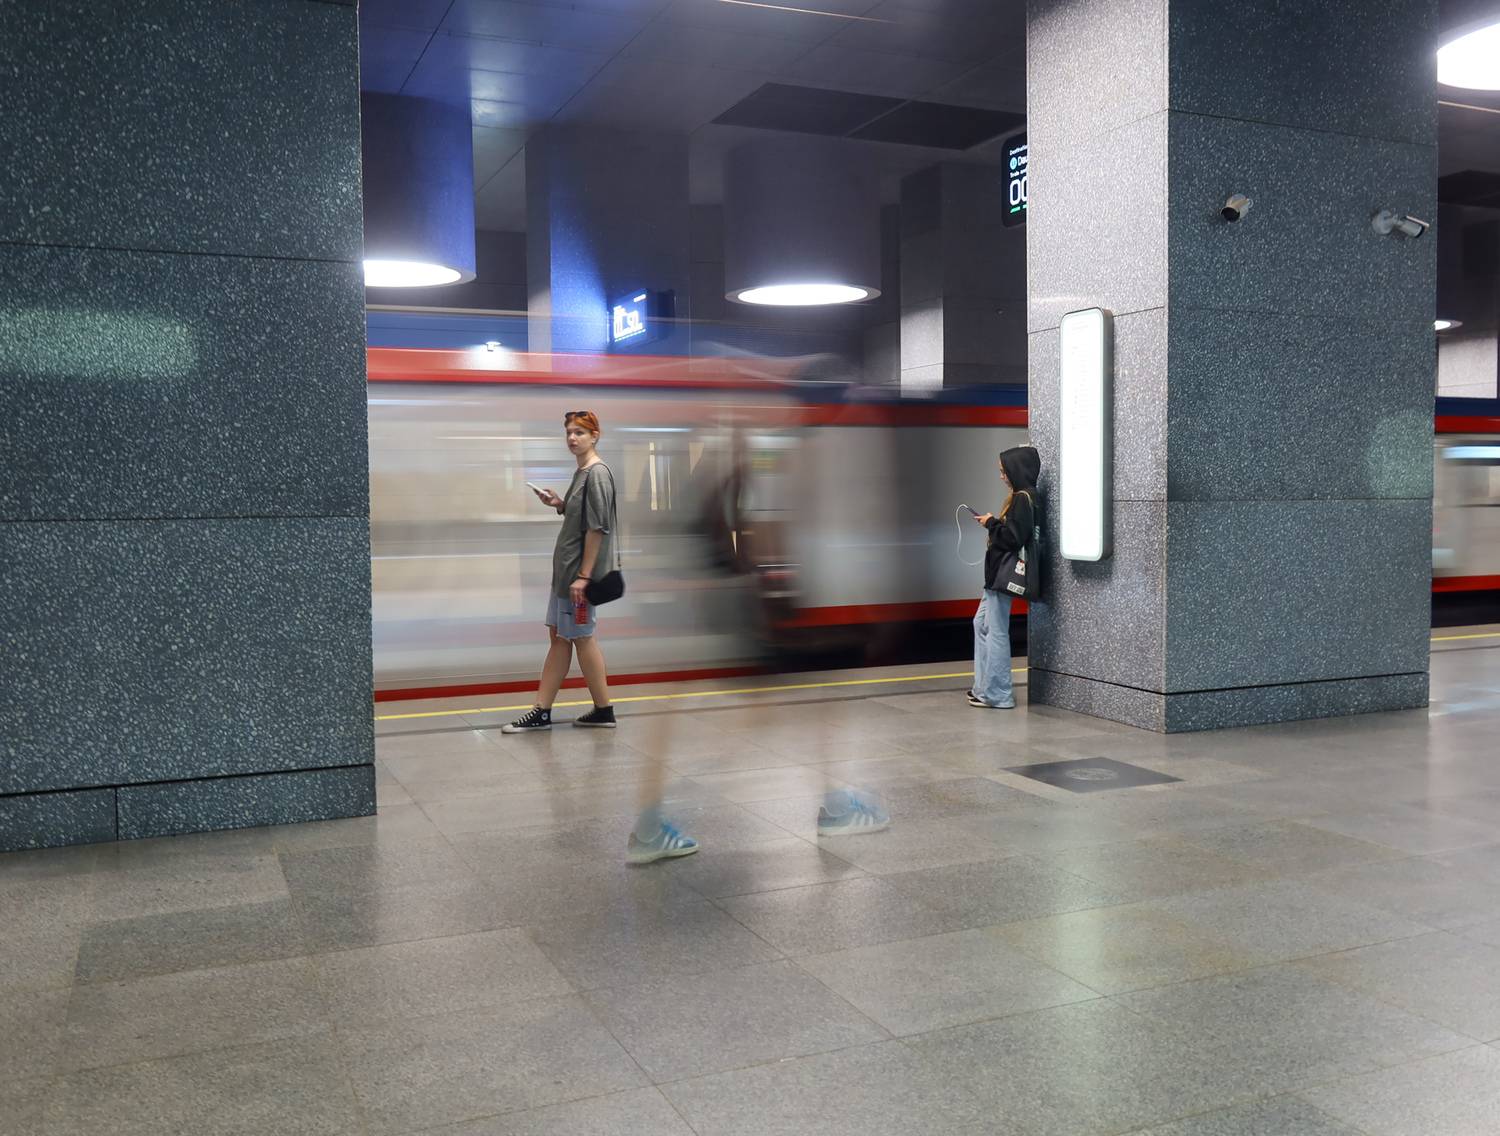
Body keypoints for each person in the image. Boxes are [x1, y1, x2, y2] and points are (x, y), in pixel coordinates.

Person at [502, 410, 617, 733]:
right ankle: (596, 710)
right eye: (569, 432)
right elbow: (582, 517)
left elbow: (597, 528)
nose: (572, 438)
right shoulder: (582, 473)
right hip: (567, 576)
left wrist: (584, 577)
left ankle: (554, 710)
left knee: (579, 638)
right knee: (563, 637)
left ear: (595, 436)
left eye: (580, 432)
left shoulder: (597, 474)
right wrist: (560, 504)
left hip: (577, 578)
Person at [971, 445, 1041, 710]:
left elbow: (1013, 538)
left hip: (1003, 573)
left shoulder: (1022, 498)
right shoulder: (1023, 496)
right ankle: (983, 688)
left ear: (1017, 469)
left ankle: (999, 694)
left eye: (1004, 471)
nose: (1002, 476)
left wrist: (991, 523)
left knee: (996, 631)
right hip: (996, 575)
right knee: (981, 624)